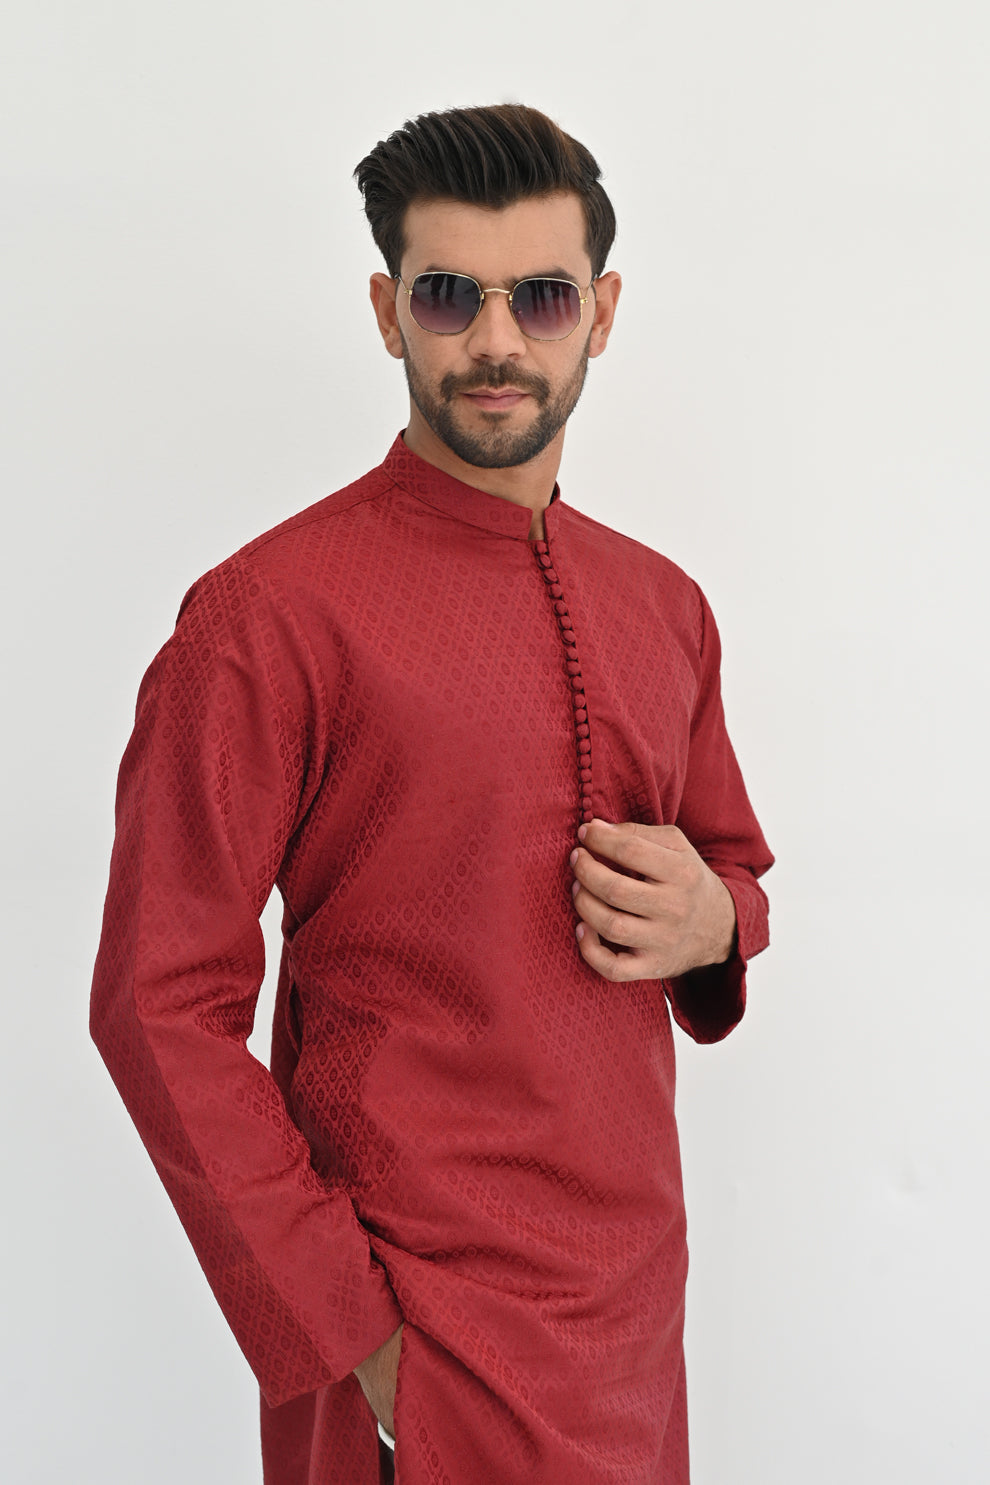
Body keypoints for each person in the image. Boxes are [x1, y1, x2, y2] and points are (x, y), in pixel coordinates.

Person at [91, 103, 773, 1485]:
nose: (497, 341)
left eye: (542, 297)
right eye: (450, 295)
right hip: (414, 1329)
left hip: (633, 1318)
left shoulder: (666, 607)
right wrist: (353, 1335)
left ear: (602, 313)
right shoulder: (267, 616)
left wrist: (716, 921)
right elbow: (156, 1001)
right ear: (387, 312)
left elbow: (733, 873)